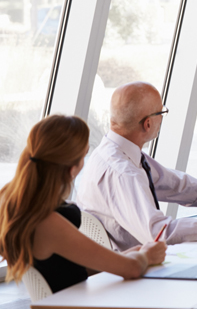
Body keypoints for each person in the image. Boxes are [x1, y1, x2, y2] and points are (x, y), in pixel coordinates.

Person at [77, 82, 197, 251]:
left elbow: (178, 186)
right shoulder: (123, 172)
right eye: (162, 112)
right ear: (148, 123)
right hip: (136, 273)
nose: (163, 119)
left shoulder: (113, 152)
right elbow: (160, 233)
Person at [0, 115, 166, 293]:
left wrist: (129, 256)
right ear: (72, 169)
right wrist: (146, 256)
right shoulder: (49, 223)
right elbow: (132, 269)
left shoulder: (10, 201)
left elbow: (69, 268)